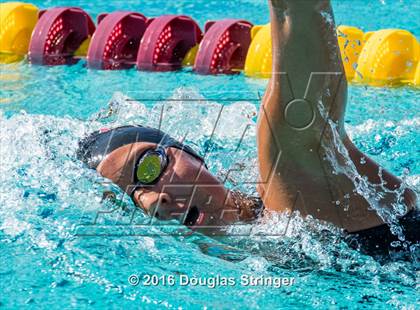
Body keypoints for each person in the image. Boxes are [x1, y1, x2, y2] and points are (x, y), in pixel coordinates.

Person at [77, 0, 418, 257]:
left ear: (191, 154)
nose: (154, 202)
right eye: (132, 198)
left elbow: (296, 15)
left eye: (149, 167)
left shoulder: (296, 187)